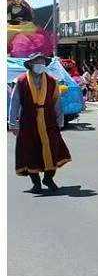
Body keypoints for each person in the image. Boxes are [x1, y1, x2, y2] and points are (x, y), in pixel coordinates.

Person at [9, 53, 72, 192]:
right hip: (28, 121)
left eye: (42, 61)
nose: (40, 63)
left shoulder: (51, 81)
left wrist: (60, 121)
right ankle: (36, 183)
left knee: (53, 148)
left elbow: (57, 103)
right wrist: (13, 123)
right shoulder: (21, 81)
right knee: (30, 150)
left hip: (49, 120)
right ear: (31, 64)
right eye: (37, 61)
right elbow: (14, 103)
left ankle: (48, 178)